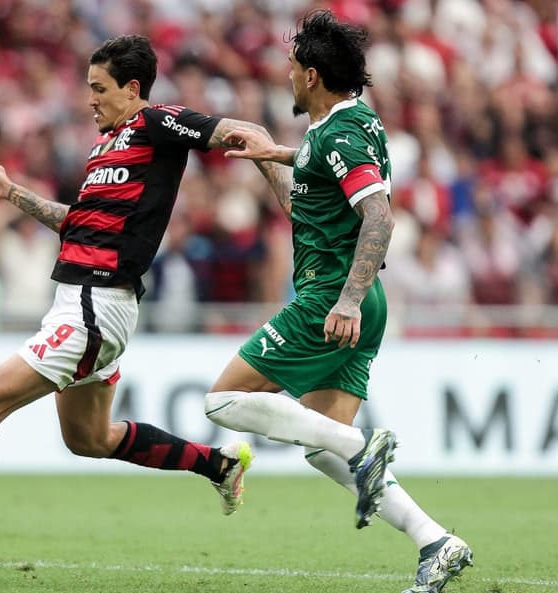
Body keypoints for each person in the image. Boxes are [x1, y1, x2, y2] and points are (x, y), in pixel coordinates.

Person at [0, 33, 401, 583]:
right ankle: (218, 464)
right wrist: (13, 192)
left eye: (100, 88)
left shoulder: (158, 123)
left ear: (132, 88)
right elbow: (77, 223)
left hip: (95, 305)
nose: (90, 99)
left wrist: (277, 169)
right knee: (88, 439)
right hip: (79, 302)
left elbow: (241, 132)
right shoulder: (107, 148)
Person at [208, 11, 473, 593]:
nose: (286, 77)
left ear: (311, 75)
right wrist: (270, 155)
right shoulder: (347, 125)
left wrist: (346, 301)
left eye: (291, 68)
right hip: (359, 298)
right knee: (321, 446)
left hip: (332, 298)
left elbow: (379, 217)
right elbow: (307, 206)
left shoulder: (339, 135)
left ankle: (363, 445)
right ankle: (436, 541)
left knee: (222, 402)